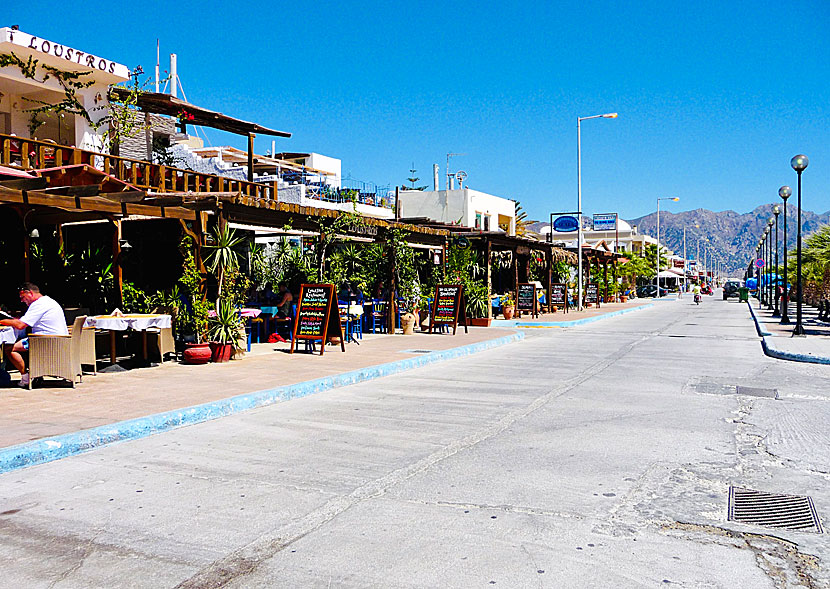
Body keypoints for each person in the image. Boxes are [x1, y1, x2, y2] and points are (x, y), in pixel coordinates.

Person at [0, 283, 68, 388]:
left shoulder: (39, 304)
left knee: (10, 348)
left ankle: (25, 377)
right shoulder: (47, 301)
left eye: (23, 297)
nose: (22, 300)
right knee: (22, 341)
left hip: (46, 340)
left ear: (30, 293)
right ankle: (33, 374)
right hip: (58, 339)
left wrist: (3, 321)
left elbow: (20, 325)